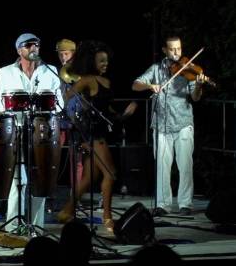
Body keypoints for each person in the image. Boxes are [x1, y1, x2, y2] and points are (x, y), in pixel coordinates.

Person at [57, 41, 136, 232]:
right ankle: (107, 218)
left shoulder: (106, 82)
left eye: (106, 61)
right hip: (91, 134)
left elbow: (107, 110)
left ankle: (66, 212)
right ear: (92, 62)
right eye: (101, 61)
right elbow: (67, 99)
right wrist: (82, 108)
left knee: (90, 176)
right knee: (111, 173)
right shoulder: (86, 80)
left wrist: (124, 115)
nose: (105, 64)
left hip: (101, 132)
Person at [0, 33, 64, 231]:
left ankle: (37, 227)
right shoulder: (4, 72)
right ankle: (13, 226)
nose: (34, 48)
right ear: (19, 50)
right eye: (29, 45)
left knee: (40, 181)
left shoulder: (50, 71)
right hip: (15, 132)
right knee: (18, 180)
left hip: (42, 134)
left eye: (37, 45)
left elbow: (60, 104)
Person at [132, 36, 208, 216]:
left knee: (185, 166)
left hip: (183, 123)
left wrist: (198, 85)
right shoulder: (156, 69)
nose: (177, 53)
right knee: (162, 167)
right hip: (161, 124)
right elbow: (135, 85)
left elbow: (195, 97)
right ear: (165, 50)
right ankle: (163, 204)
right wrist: (150, 85)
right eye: (172, 49)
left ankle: (185, 204)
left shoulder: (187, 69)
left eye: (179, 49)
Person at [55, 38, 83, 191]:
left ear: (73, 54)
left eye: (66, 54)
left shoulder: (81, 71)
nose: (63, 58)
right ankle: (49, 195)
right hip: (59, 118)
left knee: (77, 160)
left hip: (76, 119)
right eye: (60, 54)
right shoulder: (55, 72)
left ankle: (76, 196)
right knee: (53, 157)